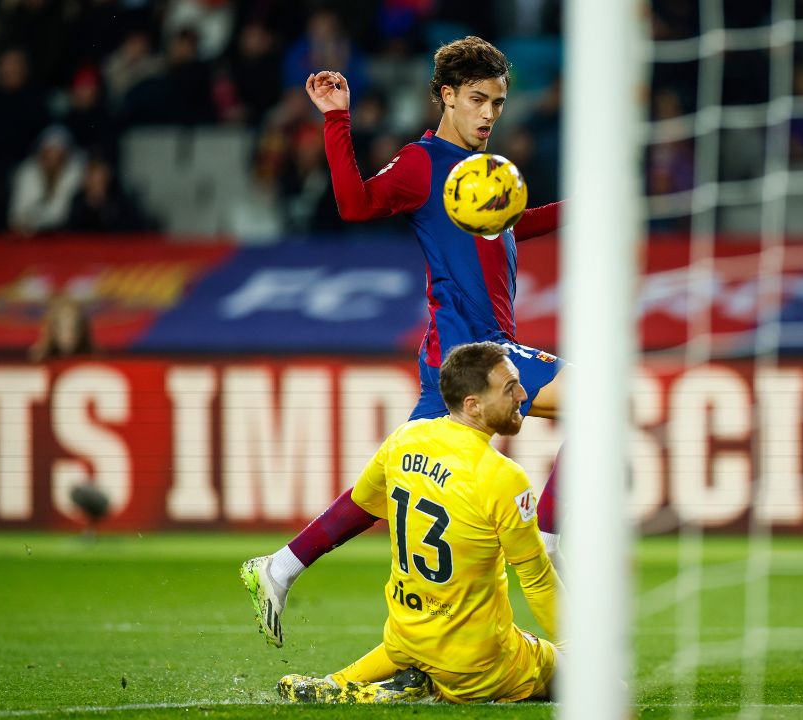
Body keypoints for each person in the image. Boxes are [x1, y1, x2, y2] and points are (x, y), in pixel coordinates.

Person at [241, 35, 569, 650]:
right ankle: (547, 537)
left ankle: (281, 566)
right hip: (471, 352)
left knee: (393, 479)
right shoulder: (423, 164)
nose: (489, 114)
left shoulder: (485, 175)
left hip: (457, 359)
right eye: (476, 100)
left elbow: (511, 224)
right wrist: (337, 119)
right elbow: (355, 204)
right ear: (446, 96)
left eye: (497, 102)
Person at [276, 342, 562, 704]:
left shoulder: (403, 439)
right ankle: (413, 689)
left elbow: (362, 503)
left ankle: (339, 683)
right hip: (477, 664)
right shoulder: (504, 477)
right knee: (563, 665)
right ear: (473, 405)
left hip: (408, 636)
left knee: (419, 642)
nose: (524, 395)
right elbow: (537, 581)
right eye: (510, 389)